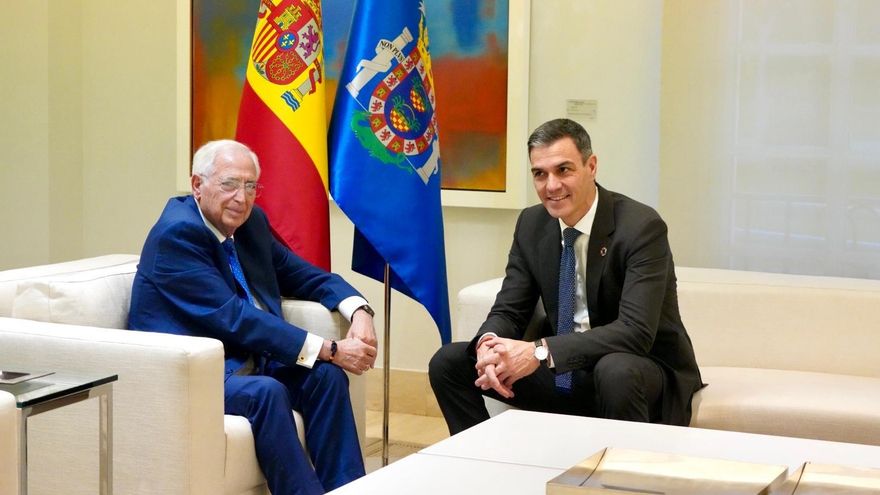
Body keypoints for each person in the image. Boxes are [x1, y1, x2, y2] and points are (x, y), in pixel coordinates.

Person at [129, 139, 377, 495]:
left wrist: (359, 311)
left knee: (325, 377)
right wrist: (330, 348)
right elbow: (235, 318)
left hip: (247, 360)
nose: (241, 198)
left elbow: (304, 275)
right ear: (197, 185)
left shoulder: (250, 225)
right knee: (267, 392)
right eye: (229, 184)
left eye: (250, 187)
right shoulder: (177, 235)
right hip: (193, 373)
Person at [429, 118, 703, 434]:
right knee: (449, 363)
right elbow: (510, 309)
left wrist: (539, 351)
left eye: (563, 170)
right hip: (563, 371)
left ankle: (621, 465)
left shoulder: (640, 226)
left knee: (615, 370)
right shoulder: (531, 224)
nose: (552, 186)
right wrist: (488, 345)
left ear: (591, 166)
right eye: (540, 174)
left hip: (636, 369)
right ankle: (485, 461)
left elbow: (635, 332)